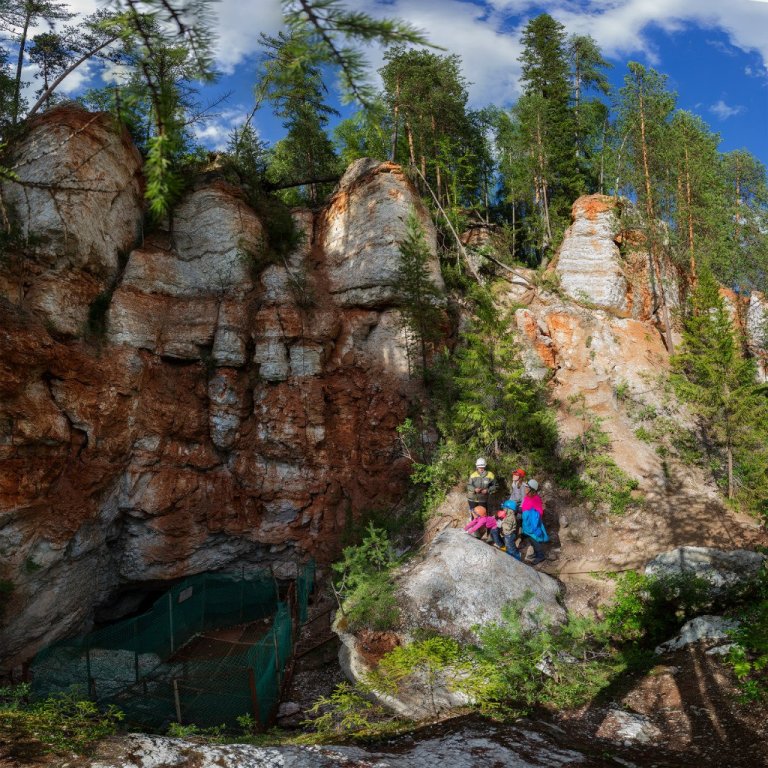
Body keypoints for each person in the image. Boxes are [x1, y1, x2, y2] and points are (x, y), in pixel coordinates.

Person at [519, 478, 548, 565]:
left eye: (527, 487)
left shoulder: (536, 499)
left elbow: (539, 512)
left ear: (532, 489)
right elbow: (524, 507)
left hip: (533, 524)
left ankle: (540, 556)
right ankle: (536, 553)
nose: (525, 488)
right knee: (530, 539)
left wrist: (530, 513)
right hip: (527, 523)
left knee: (535, 539)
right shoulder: (527, 496)